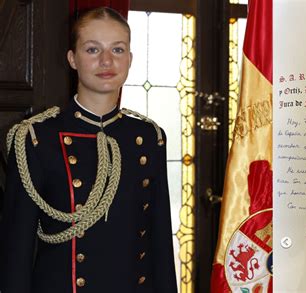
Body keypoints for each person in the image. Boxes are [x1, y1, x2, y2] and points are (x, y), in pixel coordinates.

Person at [0, 7, 177, 293]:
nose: (106, 60)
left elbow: (159, 245)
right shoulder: (36, 139)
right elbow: (16, 256)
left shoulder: (148, 137)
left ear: (130, 59)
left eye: (118, 50)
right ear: (72, 58)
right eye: (92, 49)